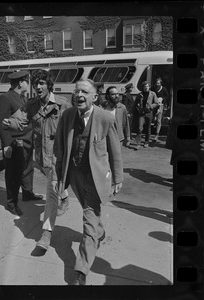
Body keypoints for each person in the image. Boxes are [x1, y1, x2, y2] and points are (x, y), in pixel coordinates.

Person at [52, 79, 124, 285]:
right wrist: (58, 176)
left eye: (84, 91)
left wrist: (118, 177)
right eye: (76, 91)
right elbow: (59, 148)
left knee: (89, 221)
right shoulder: (66, 116)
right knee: (89, 212)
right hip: (74, 174)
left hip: (95, 177)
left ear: (94, 96)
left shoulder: (105, 118)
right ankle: (100, 232)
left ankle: (81, 270)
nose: (79, 95)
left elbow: (114, 150)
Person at [2, 69, 71, 250]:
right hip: (42, 158)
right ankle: (66, 197)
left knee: (51, 194)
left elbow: (75, 129)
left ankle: (46, 234)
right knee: (55, 185)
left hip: (59, 157)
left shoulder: (63, 105)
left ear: (49, 85)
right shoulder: (32, 105)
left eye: (42, 83)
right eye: (36, 83)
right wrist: (11, 123)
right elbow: (22, 121)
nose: (38, 86)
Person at [0, 70, 43, 216]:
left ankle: (28, 193)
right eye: (26, 81)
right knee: (14, 173)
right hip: (16, 143)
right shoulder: (5, 98)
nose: (28, 84)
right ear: (20, 83)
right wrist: (7, 145)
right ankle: (12, 203)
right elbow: (2, 123)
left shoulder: (22, 98)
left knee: (28, 169)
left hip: (27, 140)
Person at [133, 81, 159, 150]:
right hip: (141, 113)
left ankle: (146, 142)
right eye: (145, 86)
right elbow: (135, 104)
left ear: (149, 87)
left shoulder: (153, 94)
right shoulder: (139, 94)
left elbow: (156, 103)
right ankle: (138, 143)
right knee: (139, 128)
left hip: (149, 113)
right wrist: (138, 108)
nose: (146, 88)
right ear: (143, 87)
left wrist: (150, 107)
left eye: (147, 86)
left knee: (148, 128)